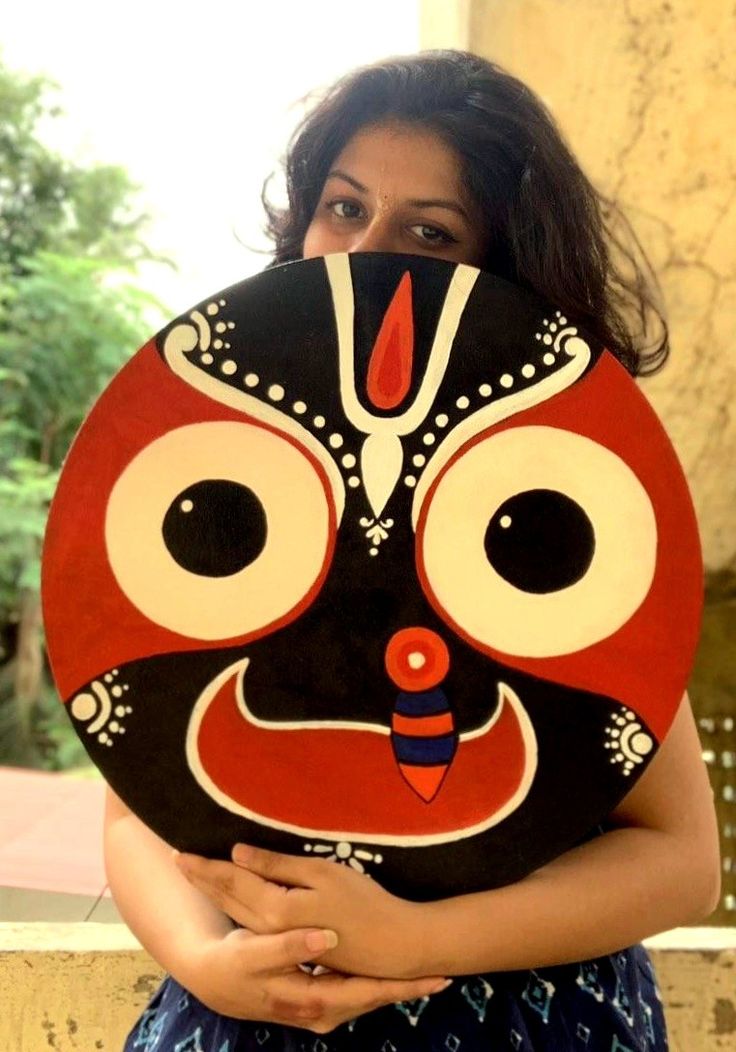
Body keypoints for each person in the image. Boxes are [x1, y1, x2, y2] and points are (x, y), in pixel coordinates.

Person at [109, 50, 720, 1051]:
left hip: (523, 1020)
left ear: (503, 270)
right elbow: (139, 798)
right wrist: (205, 961)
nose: (365, 248)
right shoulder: (223, 463)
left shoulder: (555, 501)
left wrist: (413, 936)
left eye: (428, 232)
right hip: (246, 1015)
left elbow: (679, 857)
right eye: (343, 207)